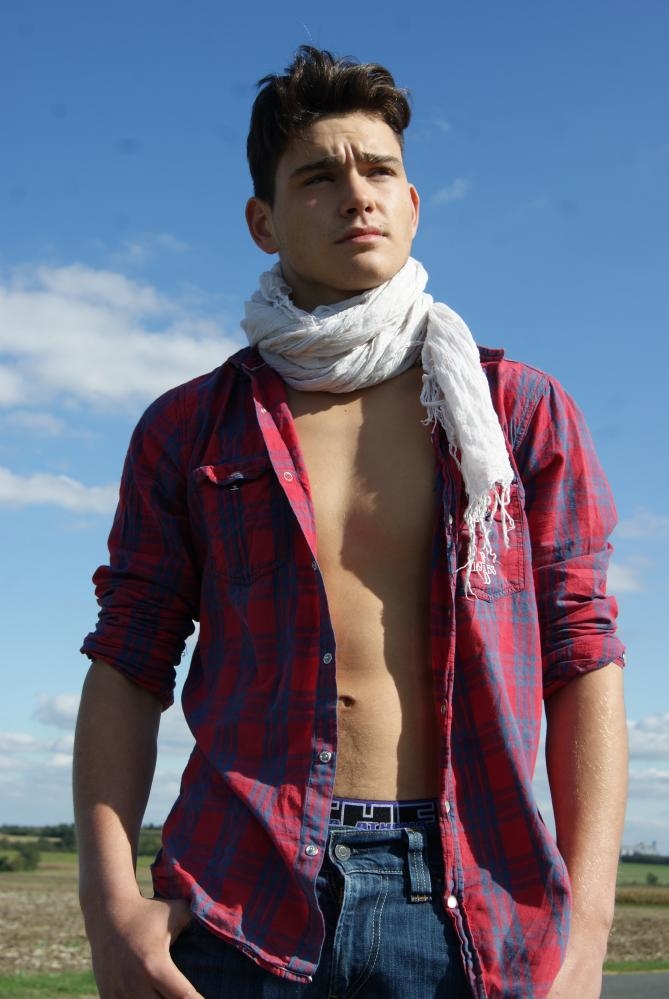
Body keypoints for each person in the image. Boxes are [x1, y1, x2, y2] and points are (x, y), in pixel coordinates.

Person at [73, 46, 628, 999]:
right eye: (318, 177)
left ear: (411, 204)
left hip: (468, 896)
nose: (356, 196)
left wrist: (588, 928)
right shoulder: (190, 426)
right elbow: (129, 659)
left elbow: (582, 656)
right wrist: (107, 902)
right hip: (238, 895)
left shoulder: (515, 412)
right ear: (263, 220)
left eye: (378, 171)